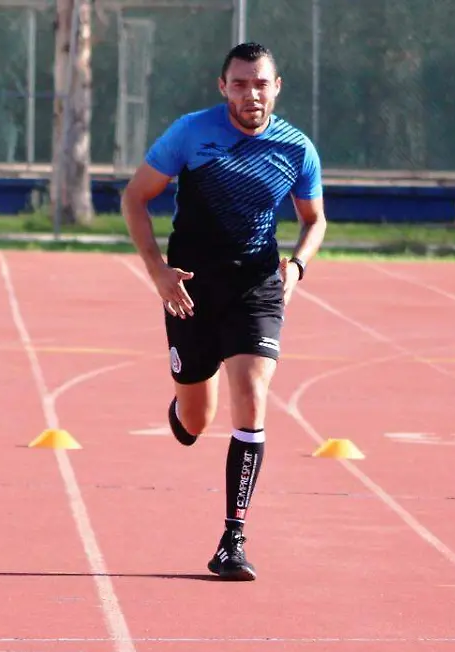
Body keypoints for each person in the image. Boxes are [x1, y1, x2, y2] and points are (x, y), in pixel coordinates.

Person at [121, 42, 327, 581]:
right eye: (239, 84)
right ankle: (183, 406)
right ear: (223, 87)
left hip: (256, 286)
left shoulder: (297, 149)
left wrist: (297, 267)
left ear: (276, 87)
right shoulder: (192, 133)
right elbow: (135, 197)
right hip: (190, 289)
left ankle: (233, 537)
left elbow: (314, 219)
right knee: (195, 422)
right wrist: (158, 271)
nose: (250, 94)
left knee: (252, 394)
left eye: (260, 84)